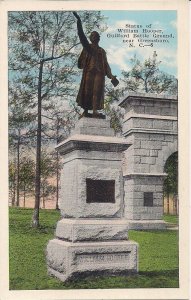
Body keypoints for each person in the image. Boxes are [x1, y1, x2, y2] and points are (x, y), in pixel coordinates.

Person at [73, 12, 119, 118]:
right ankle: (85, 110)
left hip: (99, 73)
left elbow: (106, 65)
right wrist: (79, 22)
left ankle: (94, 111)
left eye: (96, 35)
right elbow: (81, 36)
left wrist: (111, 76)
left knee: (97, 91)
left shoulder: (101, 51)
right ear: (90, 38)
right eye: (93, 36)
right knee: (87, 91)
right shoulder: (88, 48)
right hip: (89, 71)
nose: (95, 37)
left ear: (98, 38)